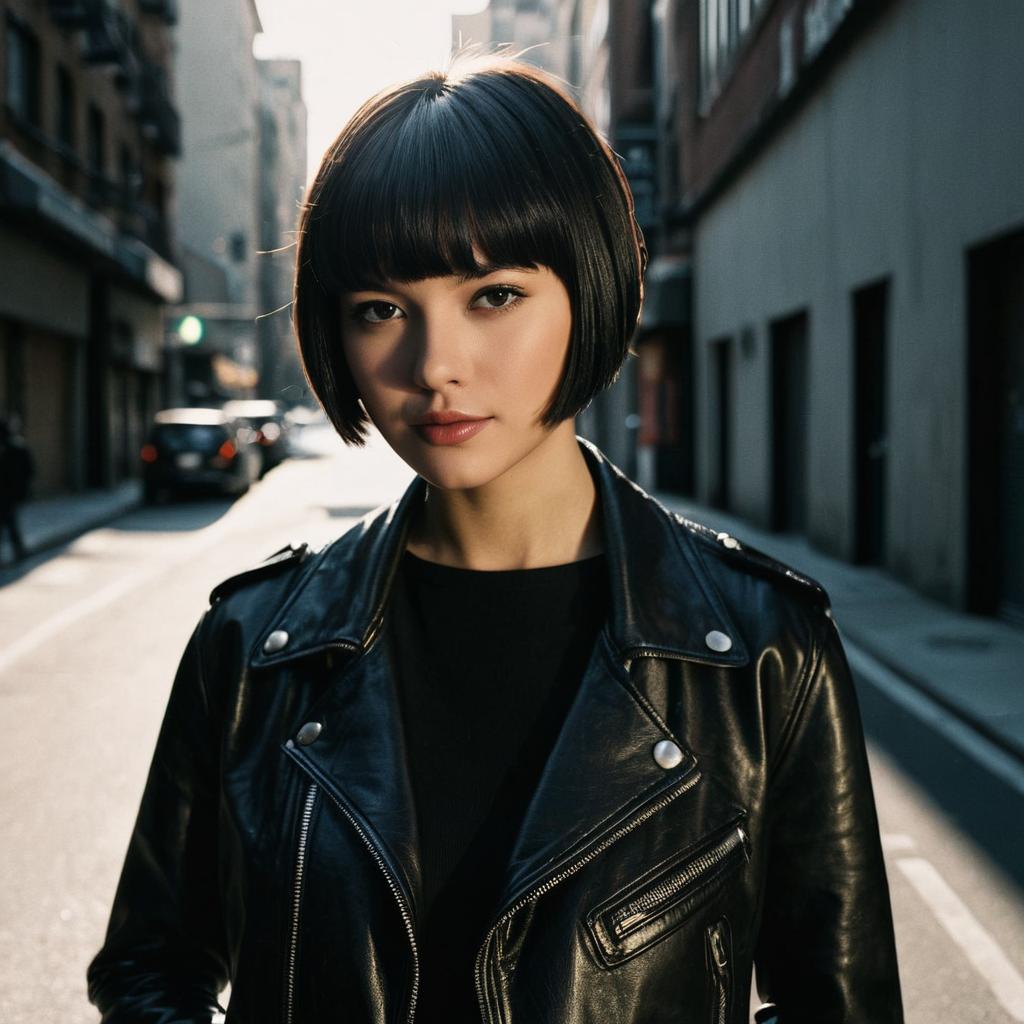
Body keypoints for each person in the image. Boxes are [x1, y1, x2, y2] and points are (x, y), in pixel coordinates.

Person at [87, 51, 904, 1023]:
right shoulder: (255, 649)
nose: (437, 365)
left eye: (495, 295)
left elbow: (840, 1007)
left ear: (586, 287)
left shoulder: (760, 650)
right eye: (382, 309)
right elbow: (150, 968)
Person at [0, 416, 33, 564]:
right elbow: (30, 470)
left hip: (9, 493)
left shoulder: (16, 447)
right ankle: (20, 551)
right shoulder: (17, 446)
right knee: (11, 523)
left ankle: (20, 551)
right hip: (11, 493)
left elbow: (28, 470)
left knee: (10, 523)